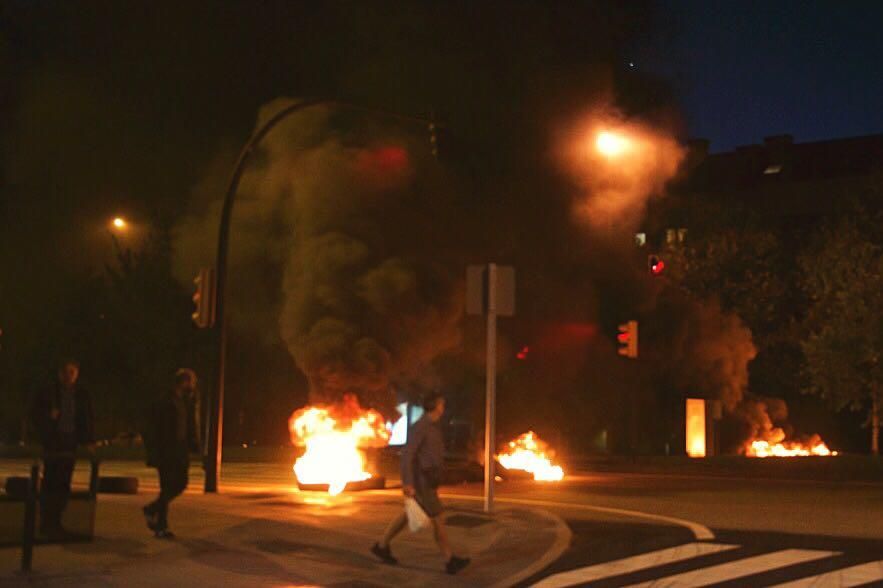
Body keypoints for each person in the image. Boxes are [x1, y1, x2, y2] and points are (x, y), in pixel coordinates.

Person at [372, 393, 470, 575]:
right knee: (438, 519)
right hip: (422, 481)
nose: (443, 407)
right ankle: (450, 560)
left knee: (408, 514)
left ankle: (381, 545)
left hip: (427, 481)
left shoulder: (431, 426)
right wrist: (408, 483)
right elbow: (407, 456)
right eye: (441, 404)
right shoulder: (421, 427)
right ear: (434, 406)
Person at [30, 358, 95, 539]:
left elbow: (86, 418)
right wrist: (48, 418)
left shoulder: (81, 394)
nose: (69, 376)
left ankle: (56, 521)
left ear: (77, 374)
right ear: (60, 374)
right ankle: (46, 522)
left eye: (73, 372)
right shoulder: (49, 392)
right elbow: (35, 415)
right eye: (66, 372)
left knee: (64, 482)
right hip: (54, 441)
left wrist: (88, 440)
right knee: (51, 480)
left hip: (70, 442)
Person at [143, 368, 200, 539]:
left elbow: (188, 425)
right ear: (183, 382)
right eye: (190, 383)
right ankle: (161, 526)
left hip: (179, 451)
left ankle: (152, 510)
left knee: (179, 484)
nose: (192, 387)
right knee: (167, 487)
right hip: (167, 451)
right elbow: (155, 427)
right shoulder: (166, 400)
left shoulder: (183, 401)